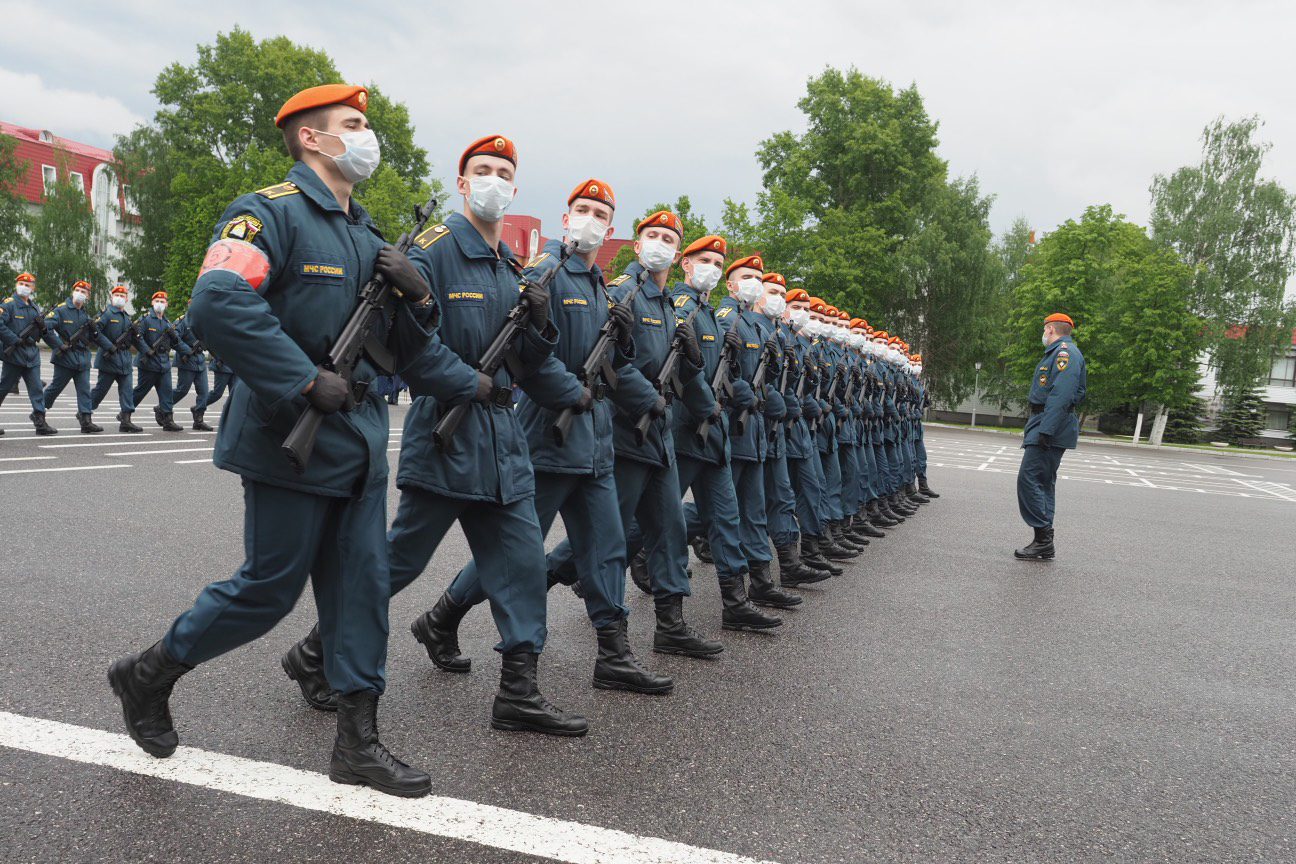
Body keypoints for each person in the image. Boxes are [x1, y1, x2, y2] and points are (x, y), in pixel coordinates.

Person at [108, 83, 436, 798]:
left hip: (358, 446)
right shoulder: (268, 214)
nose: (364, 136)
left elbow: (399, 350)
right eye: (351, 124)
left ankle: (358, 743)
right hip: (291, 435)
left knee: (362, 590)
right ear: (311, 138)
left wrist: (419, 298)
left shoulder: (368, 234)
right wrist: (299, 380)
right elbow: (218, 303)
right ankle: (148, 673)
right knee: (268, 589)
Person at [283, 134, 589, 737]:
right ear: (462, 181)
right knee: (396, 563)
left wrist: (544, 328)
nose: (494, 180)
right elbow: (406, 339)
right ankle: (315, 653)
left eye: (504, 171)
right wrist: (462, 381)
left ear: (516, 188)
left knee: (524, 563)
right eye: (483, 170)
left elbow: (522, 361)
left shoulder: (512, 265)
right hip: (448, 438)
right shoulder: (433, 248)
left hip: (502, 441)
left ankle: (518, 691)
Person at [419, 178, 672, 695]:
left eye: (601, 213)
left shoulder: (600, 284)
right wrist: (568, 392)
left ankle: (614, 654)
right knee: (517, 552)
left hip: (597, 440)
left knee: (605, 548)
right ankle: (444, 615)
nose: (591, 220)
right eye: (582, 209)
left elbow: (611, 365)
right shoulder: (545, 272)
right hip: (550, 435)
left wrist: (645, 395)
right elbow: (527, 350)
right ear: (565, 218)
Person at [546, 211, 721, 658]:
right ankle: (453, 609)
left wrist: (702, 397)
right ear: (637, 244)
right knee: (601, 540)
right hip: (626, 435)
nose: (660, 243)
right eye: (653, 235)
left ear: (676, 251)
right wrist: (647, 400)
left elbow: (675, 373)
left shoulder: (666, 305)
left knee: (669, 530)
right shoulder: (622, 294)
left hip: (658, 437)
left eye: (668, 237)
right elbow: (609, 366)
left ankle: (671, 625)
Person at [713, 256, 799, 609]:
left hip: (756, 432)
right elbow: (712, 371)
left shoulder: (756, 326)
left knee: (752, 512)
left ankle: (761, 581)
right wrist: (738, 391)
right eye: (746, 277)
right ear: (731, 285)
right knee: (715, 514)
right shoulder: (726, 319)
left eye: (757, 278)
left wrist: (772, 397)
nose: (754, 282)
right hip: (732, 430)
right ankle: (636, 550)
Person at [1015, 313, 1087, 560]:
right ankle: (1043, 540)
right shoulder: (1060, 352)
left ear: (1050, 329)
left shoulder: (1064, 353)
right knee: (1042, 481)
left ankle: (1043, 538)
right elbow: (1074, 392)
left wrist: (1047, 428)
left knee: (1029, 479)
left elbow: (1064, 393)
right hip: (1047, 420)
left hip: (1049, 423)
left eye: (1044, 330)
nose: (1043, 335)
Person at [0, 272, 56, 436]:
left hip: (31, 354)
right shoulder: (8, 305)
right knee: (3, 387)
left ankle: (40, 421)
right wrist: (13, 339)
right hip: (14, 354)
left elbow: (40, 332)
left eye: (28, 285)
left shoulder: (34, 307)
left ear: (33, 288)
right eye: (21, 284)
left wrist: (43, 327)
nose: (24, 287)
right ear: (16, 285)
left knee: (36, 388)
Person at [131, 291, 189, 432]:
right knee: (140, 391)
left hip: (163, 364)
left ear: (167, 304)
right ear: (152, 302)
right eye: (157, 300)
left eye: (163, 301)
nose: (160, 303)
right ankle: (125, 413)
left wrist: (187, 350)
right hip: (148, 363)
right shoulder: (145, 319)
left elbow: (175, 342)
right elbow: (137, 337)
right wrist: (146, 350)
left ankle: (168, 420)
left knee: (166, 393)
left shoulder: (167, 323)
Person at [89, 285, 143, 433]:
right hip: (109, 359)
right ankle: (85, 412)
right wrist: (108, 346)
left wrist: (147, 351)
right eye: (116, 294)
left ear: (126, 299)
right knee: (101, 390)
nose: (119, 297)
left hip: (124, 360)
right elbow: (95, 332)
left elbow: (134, 340)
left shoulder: (126, 317)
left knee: (127, 391)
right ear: (111, 297)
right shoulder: (106, 314)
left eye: (122, 295)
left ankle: (126, 420)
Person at [173, 313, 213, 431]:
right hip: (186, 360)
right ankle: (163, 407)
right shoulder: (182, 321)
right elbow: (175, 338)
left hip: (200, 361)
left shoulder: (205, 321)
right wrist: (187, 350)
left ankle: (198, 420)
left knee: (204, 392)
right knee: (182, 390)